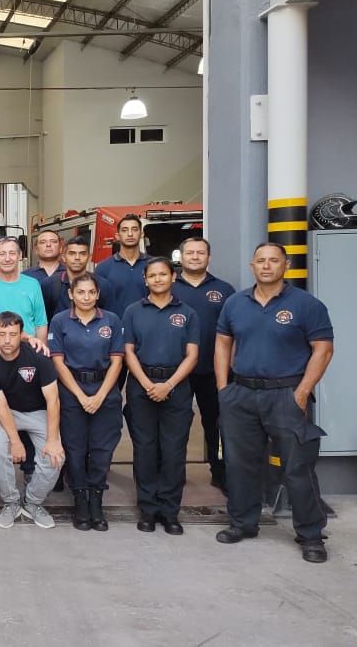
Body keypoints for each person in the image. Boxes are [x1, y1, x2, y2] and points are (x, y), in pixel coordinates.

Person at [214, 243, 334, 564]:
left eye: (273, 261)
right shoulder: (235, 303)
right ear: (252, 265)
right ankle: (243, 523)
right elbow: (223, 344)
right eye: (260, 261)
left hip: (286, 393)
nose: (266, 266)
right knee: (240, 465)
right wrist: (224, 388)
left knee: (297, 467)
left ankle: (310, 534)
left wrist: (302, 391)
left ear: (286, 264)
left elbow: (322, 349)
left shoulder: (307, 305)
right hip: (241, 394)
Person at [122, 257, 200, 535]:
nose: (157, 279)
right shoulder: (132, 311)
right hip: (141, 385)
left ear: (173, 277)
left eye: (162, 274)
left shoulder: (188, 313)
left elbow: (192, 355)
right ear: (145, 280)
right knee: (144, 450)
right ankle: (148, 509)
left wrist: (168, 384)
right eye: (152, 275)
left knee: (173, 451)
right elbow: (128, 351)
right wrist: (146, 383)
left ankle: (170, 511)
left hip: (176, 387)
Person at [48, 273, 124, 531]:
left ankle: (96, 500)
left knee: (102, 450)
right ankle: (80, 499)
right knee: (76, 449)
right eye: (80, 292)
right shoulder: (59, 321)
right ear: (71, 294)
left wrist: (100, 395)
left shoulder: (111, 320)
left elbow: (117, 361)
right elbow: (58, 361)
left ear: (98, 294)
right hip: (71, 391)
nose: (86, 297)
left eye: (91, 292)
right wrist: (80, 396)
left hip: (105, 390)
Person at [0, 236, 49, 489]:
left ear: (20, 257)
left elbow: (40, 320)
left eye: (12, 253)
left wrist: (40, 351)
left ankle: (29, 467)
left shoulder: (32, 284)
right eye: (2, 253)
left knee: (28, 409)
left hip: (27, 356)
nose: (7, 258)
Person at [0, 312, 64, 529]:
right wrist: (15, 441)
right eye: (2, 335)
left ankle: (33, 502)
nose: (7, 340)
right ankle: (11, 502)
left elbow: (53, 400)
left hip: (38, 411)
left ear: (22, 335)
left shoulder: (39, 357)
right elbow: (0, 405)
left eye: (13, 334)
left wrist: (53, 440)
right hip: (6, 412)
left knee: (55, 456)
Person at [171, 237, 236, 493]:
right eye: (190, 253)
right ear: (181, 257)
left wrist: (230, 366)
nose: (195, 257)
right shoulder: (169, 287)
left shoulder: (225, 290)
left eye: (201, 253)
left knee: (217, 425)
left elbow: (234, 332)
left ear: (209, 257)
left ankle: (219, 473)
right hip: (177, 373)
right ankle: (175, 475)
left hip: (214, 371)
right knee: (176, 427)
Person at [44, 235, 116, 320]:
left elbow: (110, 319)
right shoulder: (50, 284)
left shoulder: (102, 285)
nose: (77, 258)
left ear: (89, 257)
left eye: (82, 254)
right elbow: (43, 320)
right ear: (63, 257)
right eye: (72, 254)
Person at [94, 214, 149, 317]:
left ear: (141, 234)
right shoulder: (103, 268)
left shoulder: (153, 265)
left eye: (134, 229)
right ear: (117, 236)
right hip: (115, 329)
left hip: (148, 328)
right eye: (124, 230)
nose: (130, 234)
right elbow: (96, 304)